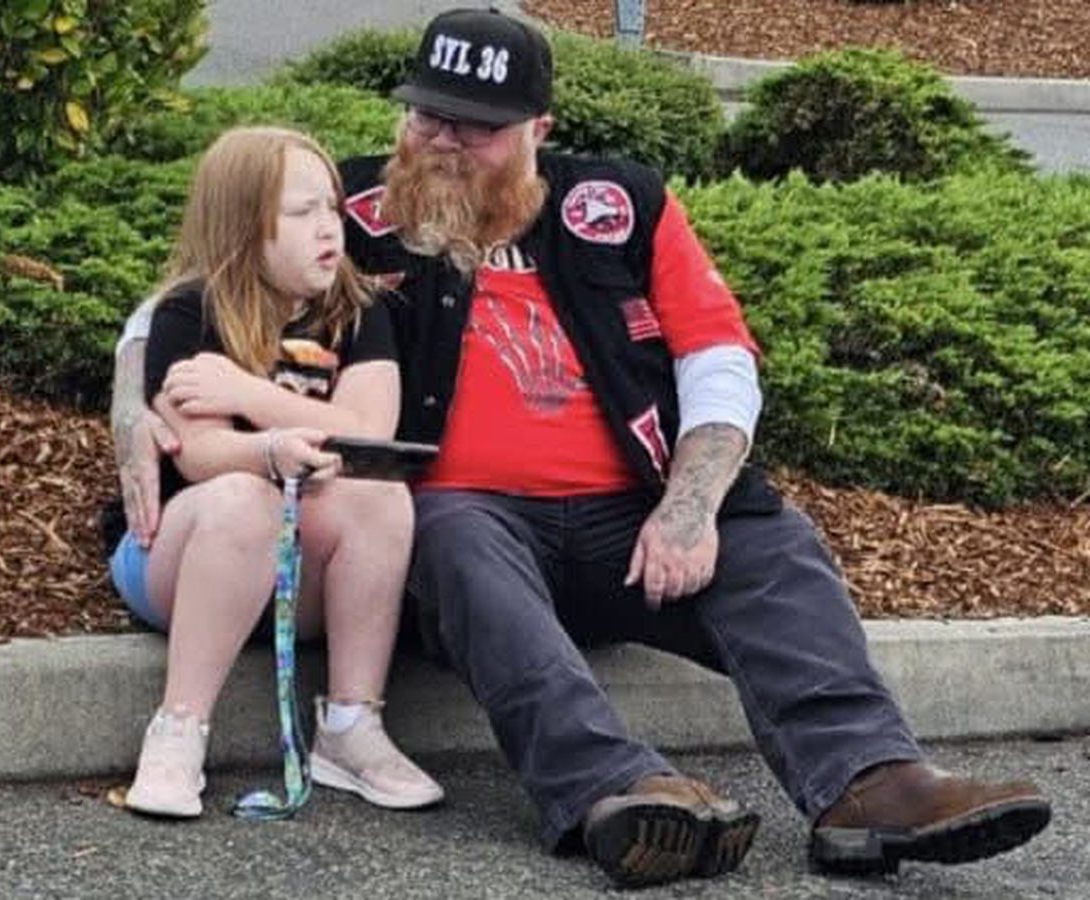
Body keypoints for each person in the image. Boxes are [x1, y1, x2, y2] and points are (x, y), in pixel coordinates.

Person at [111, 10, 1051, 886]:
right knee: (455, 533)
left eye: (477, 127)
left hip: (633, 513)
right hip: (465, 520)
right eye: (428, 116)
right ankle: (619, 792)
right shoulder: (355, 206)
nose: (443, 143)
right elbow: (188, 293)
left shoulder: (620, 205)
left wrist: (689, 507)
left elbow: (718, 355)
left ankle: (871, 783)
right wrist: (133, 416)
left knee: (773, 546)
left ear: (539, 130)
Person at [104, 125, 443, 819]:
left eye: (332, 208)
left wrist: (246, 394)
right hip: (180, 561)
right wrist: (266, 454)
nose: (328, 228)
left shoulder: (360, 310)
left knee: (381, 497)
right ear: (242, 227)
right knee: (241, 498)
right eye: (300, 213)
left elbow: (368, 432)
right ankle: (178, 730)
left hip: (299, 576)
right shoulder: (189, 312)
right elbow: (198, 453)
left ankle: (351, 725)